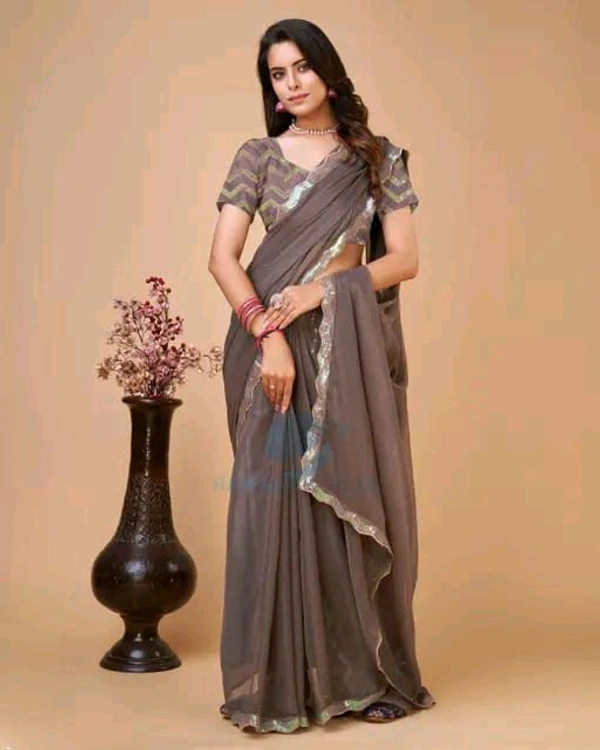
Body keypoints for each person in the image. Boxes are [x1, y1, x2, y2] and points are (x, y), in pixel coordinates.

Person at [208, 18, 435, 734]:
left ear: (327, 71)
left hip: (347, 348)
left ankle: (361, 679)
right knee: (274, 509)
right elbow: (222, 258)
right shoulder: (257, 156)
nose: (292, 82)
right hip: (270, 351)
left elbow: (403, 260)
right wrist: (268, 333)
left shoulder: (377, 158)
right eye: (278, 74)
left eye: (302, 66)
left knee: (347, 501)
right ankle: (282, 686)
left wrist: (321, 293)